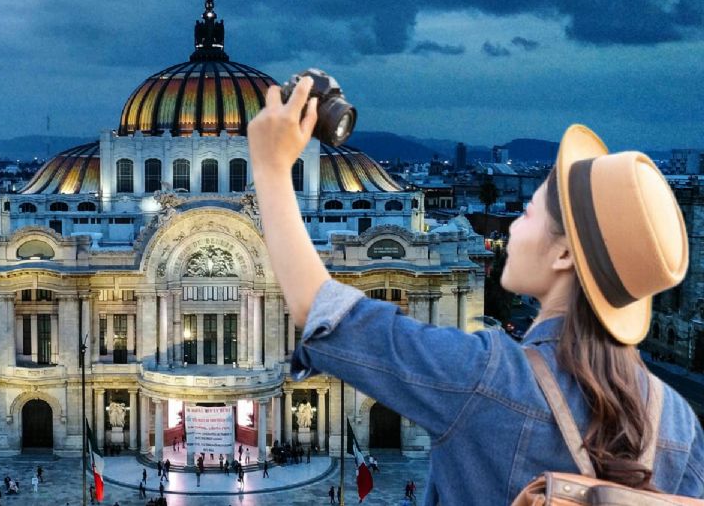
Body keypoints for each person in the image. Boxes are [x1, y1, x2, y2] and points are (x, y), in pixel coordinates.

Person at [248, 96, 704, 503]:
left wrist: (270, 166)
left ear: (565, 253)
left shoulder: (485, 376)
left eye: (527, 213)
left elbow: (323, 314)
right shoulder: (680, 424)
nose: (509, 230)